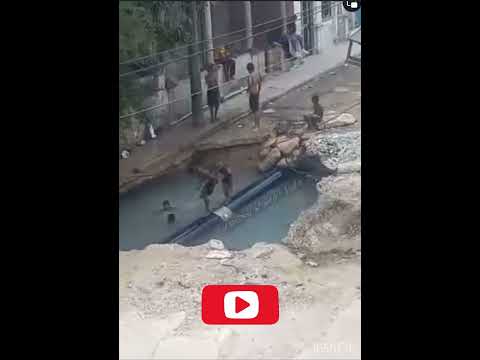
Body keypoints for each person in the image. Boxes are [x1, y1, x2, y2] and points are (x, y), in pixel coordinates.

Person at [246, 62, 262, 131]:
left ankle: (257, 126)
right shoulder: (257, 74)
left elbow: (250, 85)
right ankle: (256, 124)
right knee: (255, 109)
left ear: (248, 69)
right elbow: (260, 82)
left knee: (255, 110)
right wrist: (259, 90)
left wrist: (247, 90)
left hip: (253, 94)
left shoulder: (250, 76)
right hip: (257, 92)